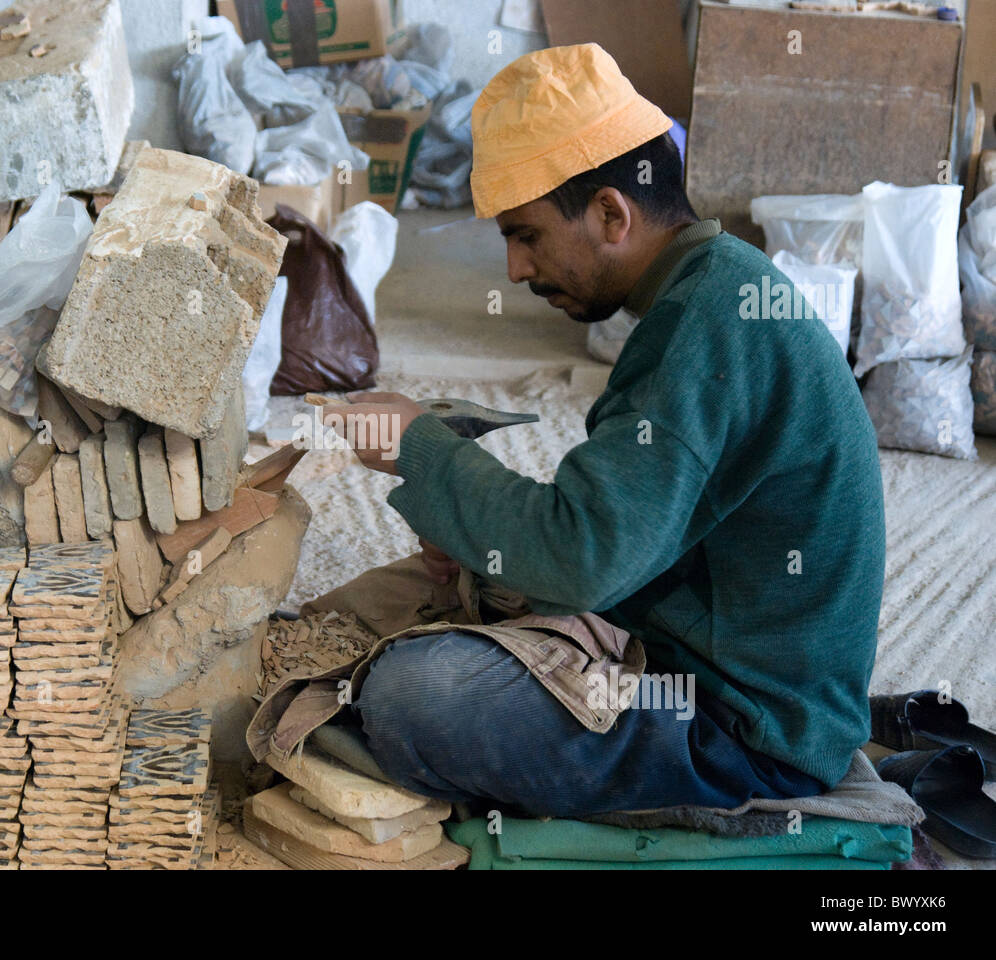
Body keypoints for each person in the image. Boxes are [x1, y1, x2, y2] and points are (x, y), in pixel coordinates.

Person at [310, 44, 886, 817]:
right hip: (701, 649)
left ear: (612, 213)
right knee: (393, 607)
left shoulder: (705, 327)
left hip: (746, 736)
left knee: (414, 691)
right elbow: (636, 530)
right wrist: (482, 540)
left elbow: (583, 558)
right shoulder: (714, 288)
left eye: (527, 236)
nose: (514, 269)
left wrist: (419, 447)